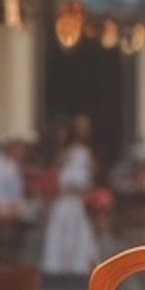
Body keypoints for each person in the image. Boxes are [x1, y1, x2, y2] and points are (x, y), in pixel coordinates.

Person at [41, 116, 99, 275]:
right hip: (64, 203)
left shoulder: (83, 152)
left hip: (74, 203)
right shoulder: (67, 153)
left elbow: (85, 181)